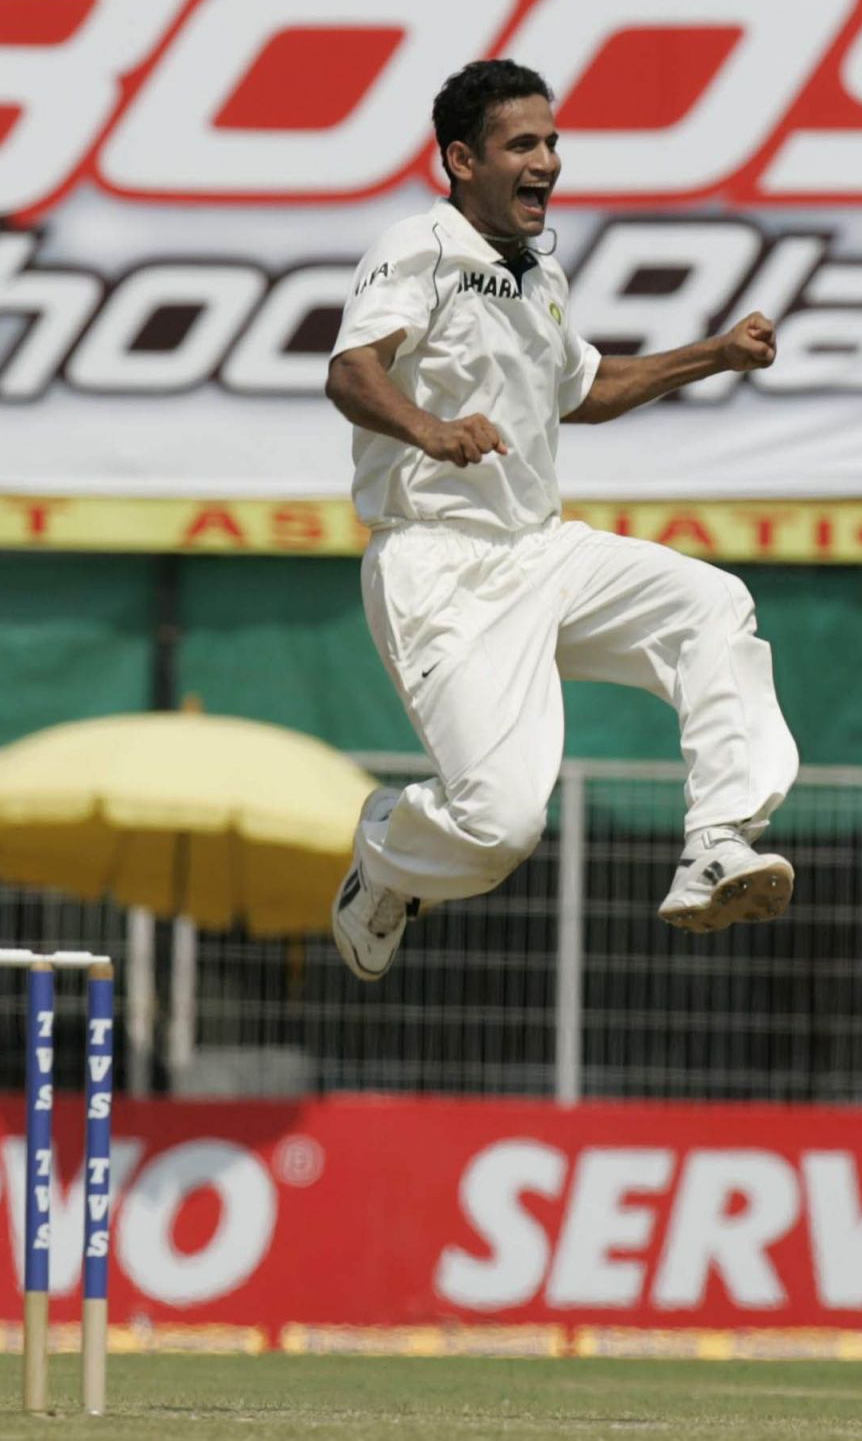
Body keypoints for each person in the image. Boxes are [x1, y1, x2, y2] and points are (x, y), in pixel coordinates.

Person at [324, 58, 799, 982]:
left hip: (542, 549)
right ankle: (386, 854)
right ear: (461, 160)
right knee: (500, 827)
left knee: (711, 603)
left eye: (551, 141)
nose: (547, 160)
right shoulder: (416, 247)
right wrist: (430, 429)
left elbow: (586, 389)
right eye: (522, 144)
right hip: (440, 569)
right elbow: (352, 372)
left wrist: (715, 353)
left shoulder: (540, 274)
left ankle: (718, 841)